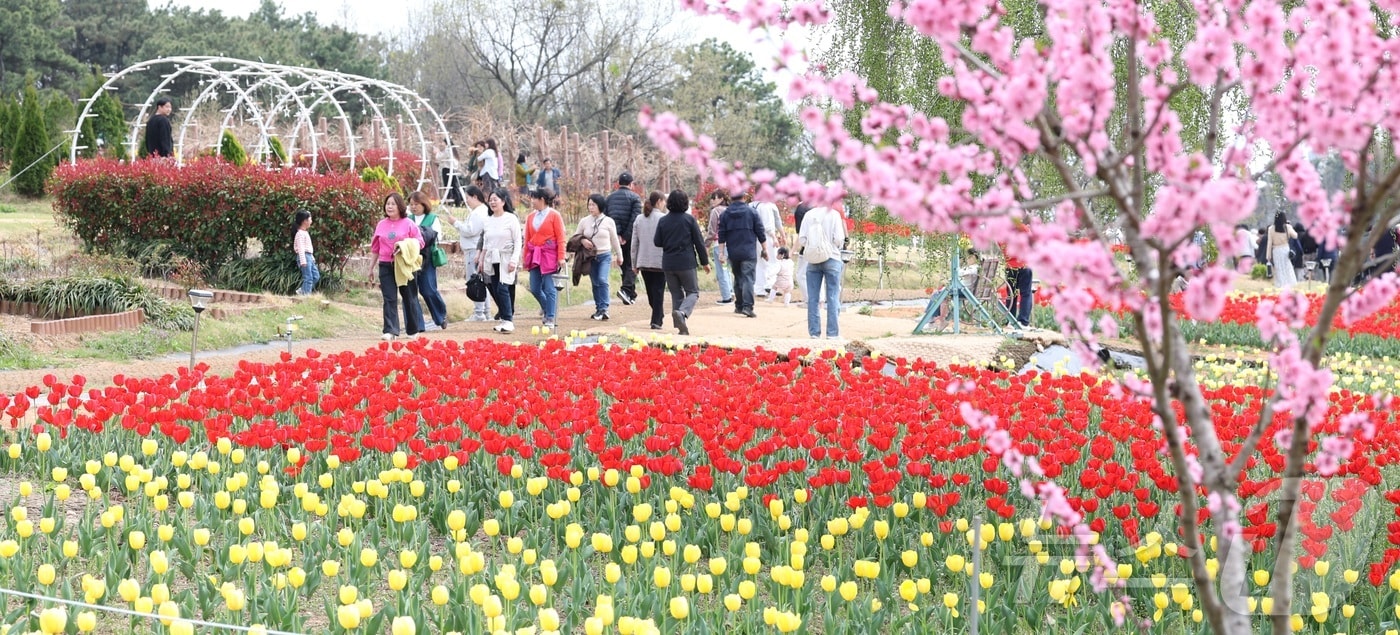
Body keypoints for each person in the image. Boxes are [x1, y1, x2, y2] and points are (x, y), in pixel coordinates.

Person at [368, 193, 426, 341]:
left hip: (405, 266)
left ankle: (413, 330)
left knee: (409, 297)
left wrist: (404, 246)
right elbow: (375, 248)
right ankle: (390, 330)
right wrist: (371, 268)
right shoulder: (381, 224)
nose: (390, 206)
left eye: (393, 204)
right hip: (385, 265)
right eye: (388, 204)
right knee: (389, 298)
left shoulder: (409, 223)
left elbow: (420, 242)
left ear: (400, 206)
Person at [655, 190, 711, 335]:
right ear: (685, 203)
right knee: (693, 292)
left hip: (668, 263)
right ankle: (682, 313)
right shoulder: (689, 220)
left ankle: (680, 326)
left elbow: (657, 242)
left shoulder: (663, 220)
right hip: (686, 262)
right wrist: (705, 262)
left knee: (676, 294)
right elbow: (699, 242)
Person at [440, 185, 492, 321]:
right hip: (474, 250)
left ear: (475, 197)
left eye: (468, 198)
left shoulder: (479, 212)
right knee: (481, 282)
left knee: (475, 282)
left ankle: (479, 312)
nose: (467, 201)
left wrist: (455, 223)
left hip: (474, 251)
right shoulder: (480, 211)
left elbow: (470, 230)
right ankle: (484, 312)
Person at [799, 199, 848, 338]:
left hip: (813, 260)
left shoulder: (809, 215)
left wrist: (814, 246)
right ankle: (832, 334)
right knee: (832, 297)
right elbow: (839, 239)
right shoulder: (834, 215)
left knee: (813, 298)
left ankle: (814, 333)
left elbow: (802, 239)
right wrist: (830, 246)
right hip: (832, 258)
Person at [478, 187, 523, 333]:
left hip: (507, 257)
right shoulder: (488, 220)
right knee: (496, 288)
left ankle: (508, 320)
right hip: (492, 258)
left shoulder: (511, 218)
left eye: (495, 199)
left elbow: (517, 241)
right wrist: (481, 259)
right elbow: (486, 242)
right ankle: (504, 319)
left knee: (503, 288)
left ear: (503, 201)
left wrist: (514, 261)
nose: (492, 203)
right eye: (490, 200)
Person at [717, 190, 767, 318]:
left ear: (730, 198)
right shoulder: (752, 212)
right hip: (749, 251)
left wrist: (721, 253)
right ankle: (748, 307)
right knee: (748, 279)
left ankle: (739, 306)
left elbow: (721, 235)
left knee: (738, 278)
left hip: (733, 252)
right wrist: (765, 249)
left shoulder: (725, 214)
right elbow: (760, 232)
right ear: (744, 197)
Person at [524, 188, 567, 329]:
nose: (532, 201)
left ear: (542, 199)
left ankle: (550, 316)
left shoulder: (555, 215)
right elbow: (528, 238)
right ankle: (547, 307)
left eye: (534, 198)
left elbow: (561, 238)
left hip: (549, 255)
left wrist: (561, 257)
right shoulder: (531, 217)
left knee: (550, 287)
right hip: (535, 254)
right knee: (535, 287)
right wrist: (525, 258)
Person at [408, 191, 449, 330]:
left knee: (429, 290)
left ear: (424, 204)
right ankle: (417, 325)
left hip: (427, 259)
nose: (413, 207)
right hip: (410, 259)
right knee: (411, 292)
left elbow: (437, 237)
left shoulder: (432, 218)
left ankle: (440, 316)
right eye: (411, 204)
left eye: (416, 204)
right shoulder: (408, 219)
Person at [579, 193, 623, 320]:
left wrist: (619, 255)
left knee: (603, 280)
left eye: (593, 205)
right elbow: (576, 237)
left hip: (604, 255)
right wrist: (583, 241)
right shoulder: (584, 221)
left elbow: (614, 239)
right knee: (595, 283)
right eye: (589, 205)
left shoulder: (609, 221)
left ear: (600, 205)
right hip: (591, 257)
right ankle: (598, 308)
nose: (591, 207)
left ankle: (604, 308)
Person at [605, 172, 643, 306]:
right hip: (630, 237)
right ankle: (626, 290)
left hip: (615, 236)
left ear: (618, 183)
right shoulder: (635, 198)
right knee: (632, 264)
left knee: (624, 263)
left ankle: (630, 294)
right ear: (631, 184)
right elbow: (635, 219)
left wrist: (617, 235)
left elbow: (608, 218)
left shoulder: (609, 198)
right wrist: (626, 236)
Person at [631, 192, 668, 329]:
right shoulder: (664, 218)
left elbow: (634, 244)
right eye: (664, 201)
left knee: (651, 292)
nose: (665, 204)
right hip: (660, 261)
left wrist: (634, 263)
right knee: (658, 291)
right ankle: (656, 320)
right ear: (659, 201)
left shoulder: (639, 219)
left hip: (644, 260)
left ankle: (657, 316)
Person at [705, 191, 735, 304]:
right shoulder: (731, 210)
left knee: (721, 271)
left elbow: (712, 231)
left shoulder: (716, 211)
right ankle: (731, 292)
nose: (712, 200)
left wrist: (706, 245)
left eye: (714, 197)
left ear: (721, 198)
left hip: (720, 245)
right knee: (727, 270)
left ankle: (726, 297)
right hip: (732, 244)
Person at [753, 198, 785, 295]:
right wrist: (777, 236)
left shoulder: (751, 205)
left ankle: (759, 289)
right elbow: (773, 224)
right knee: (774, 261)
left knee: (759, 263)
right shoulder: (768, 205)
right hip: (767, 236)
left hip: (754, 237)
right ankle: (769, 284)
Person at [1267, 211, 1299, 289]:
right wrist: (1290, 227)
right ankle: (1291, 284)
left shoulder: (1271, 228)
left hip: (1276, 250)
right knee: (1287, 267)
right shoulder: (1287, 227)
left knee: (1278, 268)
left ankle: (1280, 284)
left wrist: (1268, 256)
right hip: (1285, 249)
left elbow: (1269, 243)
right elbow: (1295, 236)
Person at [292, 209, 320, 296]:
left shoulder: (305, 233)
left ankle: (302, 291)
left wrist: (312, 258)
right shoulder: (300, 234)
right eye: (310, 219)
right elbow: (301, 249)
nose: (311, 221)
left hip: (309, 257)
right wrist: (303, 261)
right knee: (308, 278)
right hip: (304, 257)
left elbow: (308, 249)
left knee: (316, 276)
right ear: (305, 221)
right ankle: (306, 296)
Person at [1004, 252, 1033, 327]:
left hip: (1010, 266)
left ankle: (1010, 320)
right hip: (1024, 264)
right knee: (1026, 294)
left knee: (1011, 294)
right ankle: (1023, 321)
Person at [792, 202, 812, 303]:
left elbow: (801, 235)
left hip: (808, 249)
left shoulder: (802, 209)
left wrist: (791, 251)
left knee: (801, 275)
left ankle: (810, 299)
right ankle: (820, 300)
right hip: (826, 250)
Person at [436, 141, 463, 206]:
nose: (441, 144)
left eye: (443, 142)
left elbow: (439, 157)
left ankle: (452, 200)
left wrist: (438, 152)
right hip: (452, 169)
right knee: (453, 185)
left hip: (447, 169)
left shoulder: (448, 150)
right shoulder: (451, 150)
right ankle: (456, 201)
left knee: (448, 186)